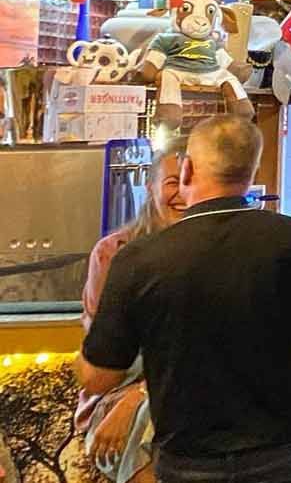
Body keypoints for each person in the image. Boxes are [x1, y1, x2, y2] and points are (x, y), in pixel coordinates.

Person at [78, 115, 291, 483]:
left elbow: (99, 378)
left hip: (190, 460)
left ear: (188, 168)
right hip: (283, 455)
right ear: (250, 171)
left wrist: (83, 359)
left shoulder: (139, 258)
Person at [78, 149, 186, 483]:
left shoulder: (215, 253)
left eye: (190, 182)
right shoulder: (115, 252)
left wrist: (142, 395)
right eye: (171, 182)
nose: (182, 193)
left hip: (184, 390)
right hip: (116, 392)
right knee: (152, 422)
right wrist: (136, 395)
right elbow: (103, 359)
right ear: (150, 188)